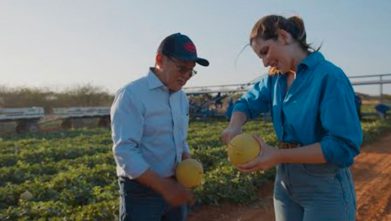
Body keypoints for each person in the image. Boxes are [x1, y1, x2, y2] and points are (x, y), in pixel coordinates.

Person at [221, 15, 362, 221]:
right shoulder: (275, 80)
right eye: (260, 57)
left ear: (283, 36)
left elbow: (342, 146)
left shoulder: (329, 77)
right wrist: (234, 126)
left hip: (323, 185)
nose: (264, 62)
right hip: (285, 184)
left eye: (265, 51)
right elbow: (246, 103)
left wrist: (277, 155)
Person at [111, 33, 209, 221]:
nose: (186, 77)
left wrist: (187, 162)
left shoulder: (181, 97)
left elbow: (179, 138)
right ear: (159, 60)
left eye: (191, 71)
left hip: (175, 184)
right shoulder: (131, 95)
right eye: (181, 69)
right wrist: (164, 187)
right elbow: (125, 151)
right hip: (142, 192)